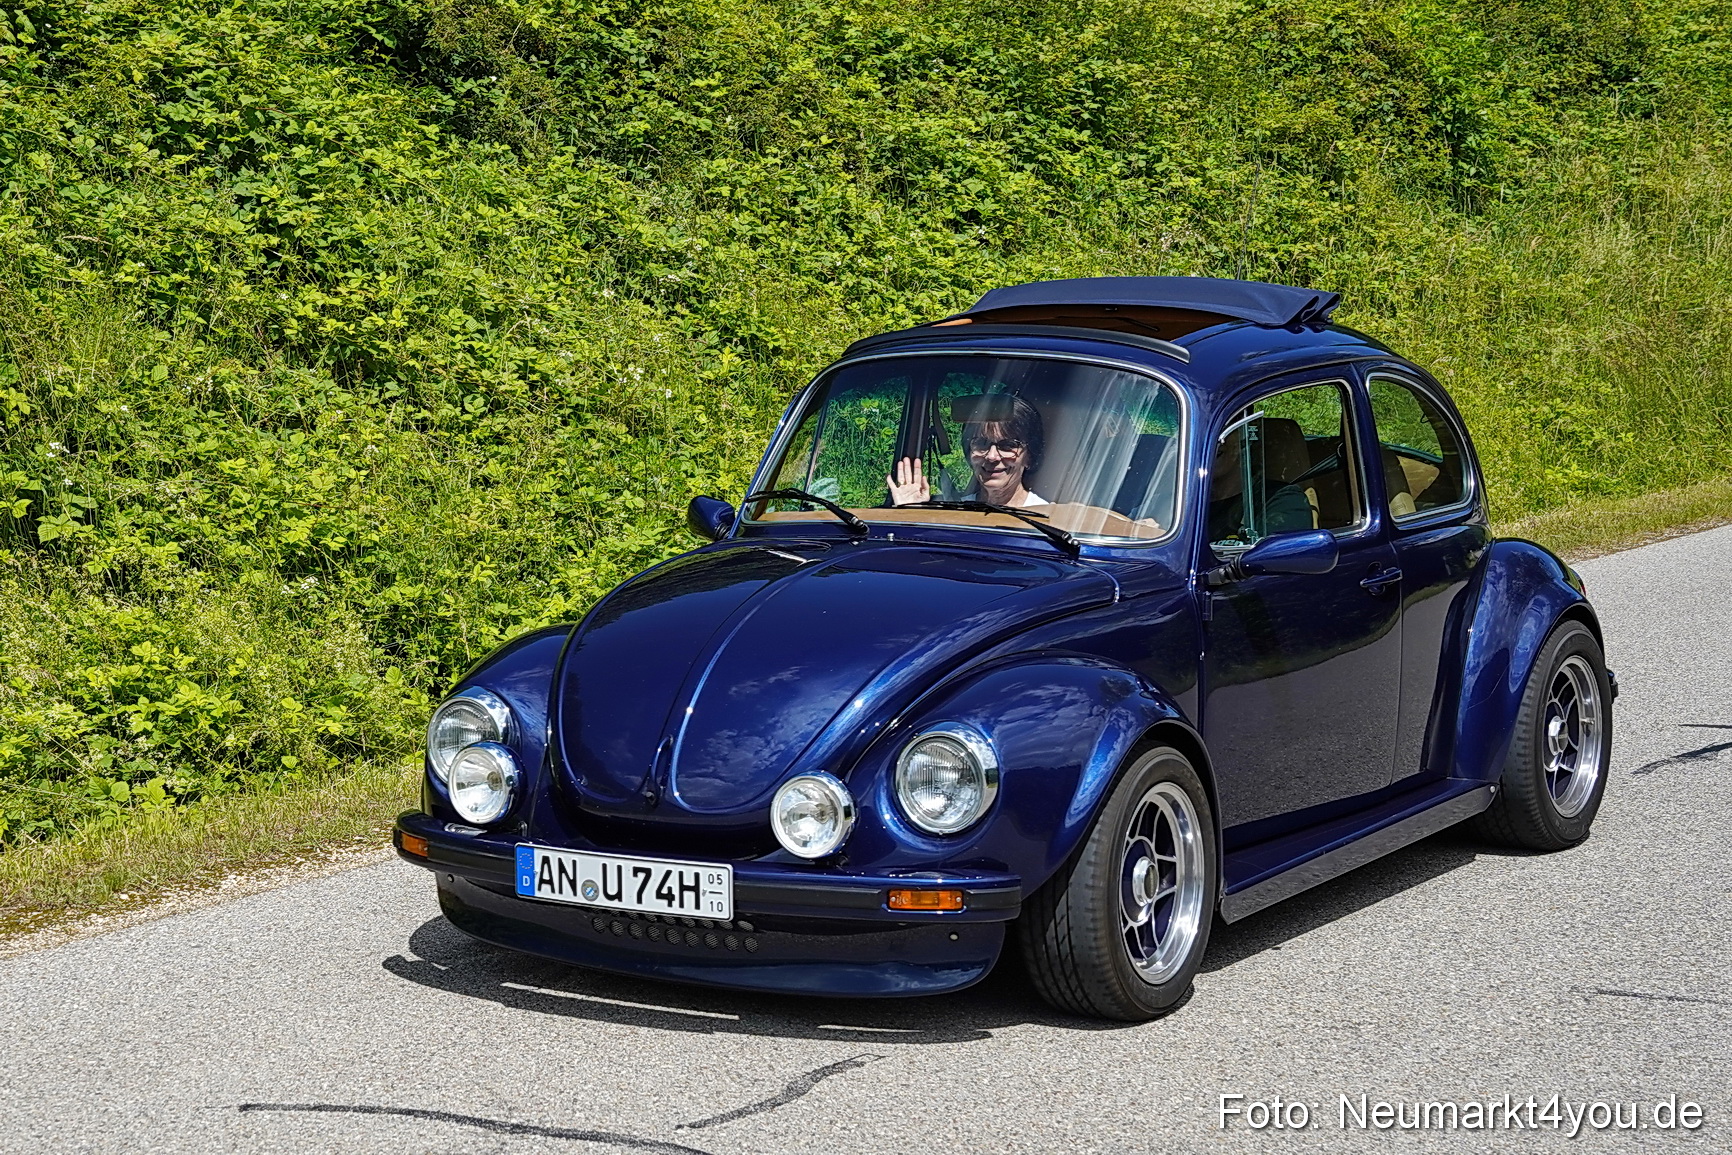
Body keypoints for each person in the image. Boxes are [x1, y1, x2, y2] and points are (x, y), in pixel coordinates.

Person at [886, 395, 1049, 508]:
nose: (992, 456)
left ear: (1029, 456)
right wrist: (910, 515)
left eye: (1007, 446)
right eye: (981, 443)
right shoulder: (951, 511)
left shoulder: (1048, 518)